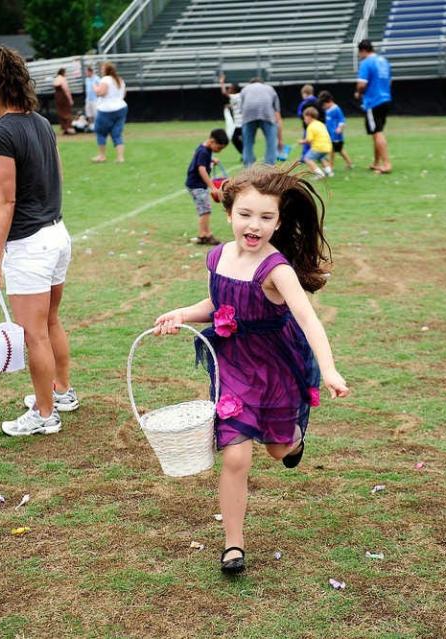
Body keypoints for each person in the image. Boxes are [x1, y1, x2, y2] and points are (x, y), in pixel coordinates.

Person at [154, 165, 350, 575]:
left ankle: (293, 444)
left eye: (266, 217)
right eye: (245, 214)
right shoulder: (218, 256)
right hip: (234, 366)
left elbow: (309, 320)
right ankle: (233, 545)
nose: (254, 225)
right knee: (237, 455)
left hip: (277, 366)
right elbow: (216, 305)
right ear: (229, 214)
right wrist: (182, 313)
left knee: (278, 449)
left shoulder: (277, 269)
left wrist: (329, 369)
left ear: (279, 222)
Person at [0, 47, 79, 436]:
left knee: (34, 333)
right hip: (56, 235)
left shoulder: (0, 133)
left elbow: (7, 201)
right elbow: (49, 174)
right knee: (49, 321)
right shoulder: (40, 123)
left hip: (29, 245)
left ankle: (44, 414)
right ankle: (61, 392)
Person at [185, 128, 229, 245]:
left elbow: (197, 156)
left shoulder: (204, 148)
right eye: (219, 148)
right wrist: (212, 186)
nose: (219, 151)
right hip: (197, 185)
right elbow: (201, 169)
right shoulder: (204, 151)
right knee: (205, 210)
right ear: (211, 141)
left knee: (205, 210)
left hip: (195, 184)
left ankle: (204, 234)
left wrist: (211, 159)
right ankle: (204, 235)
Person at [355, 39, 393, 174]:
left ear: (363, 51)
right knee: (377, 132)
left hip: (373, 101)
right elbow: (390, 81)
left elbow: (361, 85)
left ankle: (386, 164)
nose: (359, 56)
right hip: (386, 99)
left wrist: (358, 94)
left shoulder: (366, 63)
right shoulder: (384, 61)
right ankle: (376, 162)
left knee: (377, 132)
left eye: (359, 53)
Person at [239, 78, 283, 167]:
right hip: (267, 113)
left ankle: (248, 165)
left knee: (248, 143)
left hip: (248, 114)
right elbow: (277, 112)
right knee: (271, 142)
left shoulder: (245, 89)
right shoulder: (269, 88)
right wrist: (280, 139)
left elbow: (241, 109)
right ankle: (269, 165)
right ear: (262, 83)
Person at [92, 62, 128, 163]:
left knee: (101, 132)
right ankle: (120, 157)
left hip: (106, 109)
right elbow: (124, 94)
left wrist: (95, 89)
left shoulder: (106, 79)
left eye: (102, 68)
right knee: (117, 133)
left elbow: (102, 93)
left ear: (106, 70)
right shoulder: (119, 80)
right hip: (121, 107)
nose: (101, 70)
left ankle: (102, 156)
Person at [318, 90, 353, 171]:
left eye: (324, 105)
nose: (323, 107)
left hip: (336, 135)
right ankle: (349, 163)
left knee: (332, 150)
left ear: (329, 101)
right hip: (330, 135)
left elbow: (342, 120)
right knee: (340, 150)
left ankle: (330, 166)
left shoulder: (336, 109)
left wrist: (340, 128)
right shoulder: (327, 110)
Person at [300, 106, 333, 178]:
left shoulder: (310, 127)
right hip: (328, 146)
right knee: (321, 158)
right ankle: (329, 172)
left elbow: (309, 140)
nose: (304, 120)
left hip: (319, 147)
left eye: (304, 118)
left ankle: (319, 174)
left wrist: (302, 142)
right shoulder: (321, 124)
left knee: (307, 158)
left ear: (309, 117)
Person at [219, 74, 243, 155]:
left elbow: (224, 93)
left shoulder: (235, 96)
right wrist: (230, 106)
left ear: (234, 90)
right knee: (240, 139)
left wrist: (222, 82)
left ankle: (245, 154)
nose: (228, 89)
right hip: (241, 123)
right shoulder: (239, 96)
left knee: (234, 139)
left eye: (230, 88)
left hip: (240, 123)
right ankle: (245, 154)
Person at [296, 84, 319, 160]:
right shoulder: (318, 101)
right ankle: (319, 156)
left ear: (305, 93)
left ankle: (304, 157)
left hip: (308, 126)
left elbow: (300, 113)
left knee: (307, 140)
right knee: (317, 140)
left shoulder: (304, 103)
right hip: (318, 125)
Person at [53, 68, 77, 135]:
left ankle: (64, 128)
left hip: (57, 97)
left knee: (60, 112)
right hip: (63, 97)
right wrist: (70, 99)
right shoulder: (63, 79)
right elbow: (66, 90)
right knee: (67, 112)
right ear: (63, 73)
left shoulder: (56, 79)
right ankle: (69, 128)